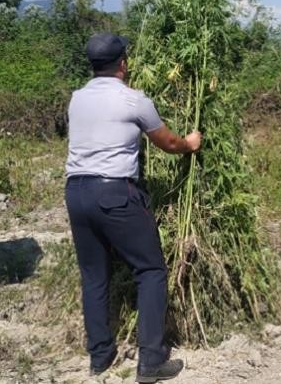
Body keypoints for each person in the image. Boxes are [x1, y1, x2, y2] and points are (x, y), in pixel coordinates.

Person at [65, 33, 201, 383]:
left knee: (94, 274)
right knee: (151, 270)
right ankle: (151, 361)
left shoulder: (76, 98)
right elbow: (168, 142)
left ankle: (100, 356)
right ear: (123, 64)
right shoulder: (133, 100)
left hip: (76, 192)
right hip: (115, 194)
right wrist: (190, 143)